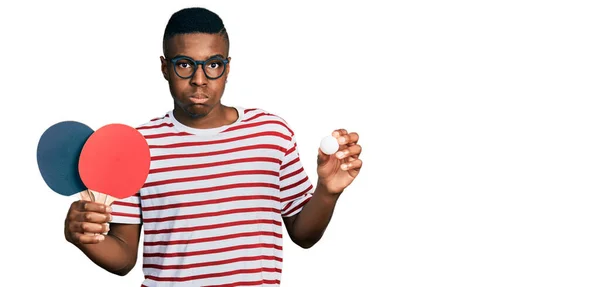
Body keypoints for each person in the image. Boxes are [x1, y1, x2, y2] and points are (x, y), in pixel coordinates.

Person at [63, 7, 363, 287]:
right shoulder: (137, 146)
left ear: (227, 67)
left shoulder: (272, 133)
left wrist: (327, 192)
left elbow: (303, 235)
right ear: (165, 67)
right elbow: (124, 257)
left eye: (213, 65)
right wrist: (83, 237)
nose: (199, 80)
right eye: (184, 65)